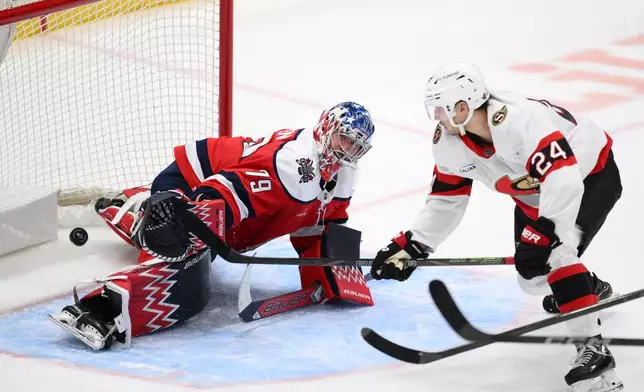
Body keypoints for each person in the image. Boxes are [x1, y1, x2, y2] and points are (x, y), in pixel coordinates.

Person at [370, 64, 623, 392]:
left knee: (556, 253)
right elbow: (447, 198)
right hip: (536, 195)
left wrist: (546, 231)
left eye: (440, 109)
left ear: (462, 107)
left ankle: (593, 349)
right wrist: (415, 244)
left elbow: (565, 179)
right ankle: (586, 287)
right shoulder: (450, 142)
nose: (435, 118)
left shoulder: (520, 121)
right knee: (531, 277)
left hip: (588, 177)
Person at [49, 101, 376, 350]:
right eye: (344, 140)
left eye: (357, 146)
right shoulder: (294, 164)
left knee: (195, 250)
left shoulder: (342, 175)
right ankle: (101, 308)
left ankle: (132, 204)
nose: (348, 151)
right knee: (187, 273)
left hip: (227, 210)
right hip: (191, 182)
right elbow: (222, 190)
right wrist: (191, 228)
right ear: (327, 128)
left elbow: (324, 222)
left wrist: (338, 272)